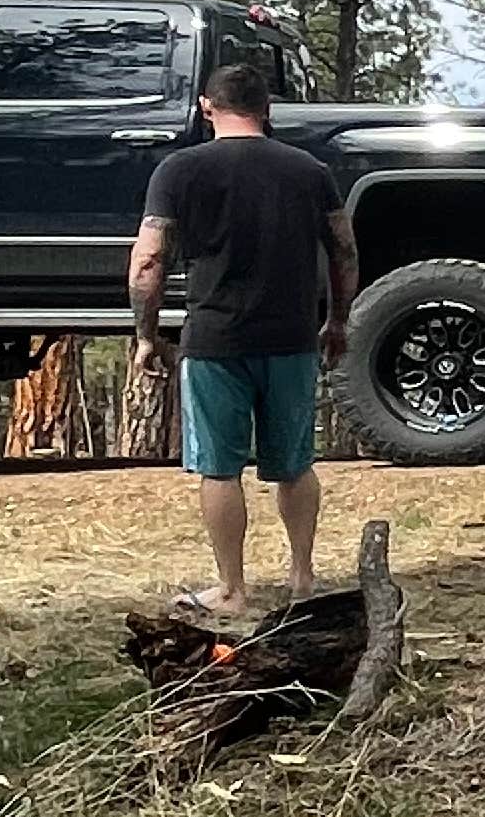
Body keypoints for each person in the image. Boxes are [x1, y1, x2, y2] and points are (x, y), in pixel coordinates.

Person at [130, 57, 356, 619]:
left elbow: (148, 261)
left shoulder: (179, 171)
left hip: (214, 340)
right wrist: (338, 321)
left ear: (206, 107)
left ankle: (232, 589)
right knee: (296, 463)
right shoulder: (308, 170)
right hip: (291, 338)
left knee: (220, 468)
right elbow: (345, 251)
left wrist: (145, 334)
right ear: (267, 110)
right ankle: (302, 578)